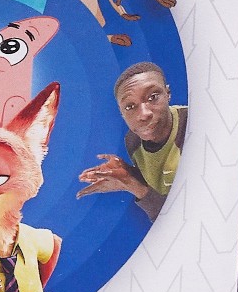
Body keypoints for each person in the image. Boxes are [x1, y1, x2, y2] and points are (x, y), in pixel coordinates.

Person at [77, 62, 187, 221]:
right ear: (121, 113)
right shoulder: (133, 141)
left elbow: (188, 215)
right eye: (130, 107)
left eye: (153, 97)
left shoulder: (194, 123)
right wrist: (128, 176)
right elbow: (164, 208)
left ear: (167, 93)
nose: (144, 114)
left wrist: (134, 185)